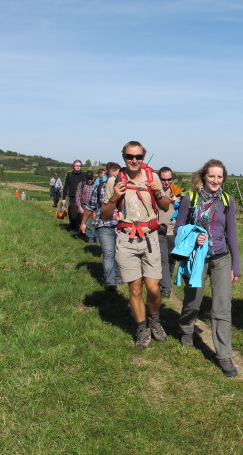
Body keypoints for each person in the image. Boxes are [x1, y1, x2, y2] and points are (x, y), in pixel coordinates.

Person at [174, 159, 241, 377]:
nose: (215, 180)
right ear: (204, 176)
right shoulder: (189, 199)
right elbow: (178, 228)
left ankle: (224, 354)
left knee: (222, 306)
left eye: (219, 177)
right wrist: (195, 237)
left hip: (221, 258)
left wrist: (236, 265)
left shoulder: (227, 201)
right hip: (197, 258)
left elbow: (231, 234)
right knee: (194, 299)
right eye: (212, 176)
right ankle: (186, 327)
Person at [101, 141, 171, 350]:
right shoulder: (114, 180)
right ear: (123, 157)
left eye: (138, 157)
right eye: (130, 157)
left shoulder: (152, 177)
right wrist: (115, 196)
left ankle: (155, 319)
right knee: (134, 287)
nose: (134, 160)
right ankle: (142, 329)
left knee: (153, 287)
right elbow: (105, 214)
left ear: (143, 158)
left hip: (150, 238)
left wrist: (158, 193)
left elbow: (166, 207)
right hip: (126, 237)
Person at [88, 161, 123, 290]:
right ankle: (111, 282)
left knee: (119, 253)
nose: (116, 174)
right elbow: (91, 204)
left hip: (120, 224)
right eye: (113, 171)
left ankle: (119, 277)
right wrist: (84, 220)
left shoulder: (124, 188)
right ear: (107, 172)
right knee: (108, 253)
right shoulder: (100, 187)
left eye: (118, 171)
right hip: (104, 224)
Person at [157, 166, 182, 298]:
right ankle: (166, 288)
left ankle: (166, 278)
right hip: (160, 230)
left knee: (172, 259)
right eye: (164, 179)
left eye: (169, 179)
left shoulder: (176, 191)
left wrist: (179, 201)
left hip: (173, 230)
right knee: (163, 259)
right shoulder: (156, 192)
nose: (166, 182)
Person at [62, 160, 85, 232]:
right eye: (76, 165)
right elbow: (66, 186)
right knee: (73, 213)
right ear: (73, 166)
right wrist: (63, 198)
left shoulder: (84, 175)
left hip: (82, 196)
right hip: (72, 196)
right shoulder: (69, 175)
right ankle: (72, 227)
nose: (78, 167)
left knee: (80, 213)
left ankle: (79, 227)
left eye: (79, 166)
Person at [75, 170, 95, 236]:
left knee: (97, 224)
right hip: (85, 205)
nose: (89, 180)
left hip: (94, 206)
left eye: (91, 178)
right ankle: (90, 239)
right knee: (88, 223)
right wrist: (79, 206)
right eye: (88, 178)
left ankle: (96, 239)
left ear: (93, 178)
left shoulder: (96, 185)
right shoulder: (81, 184)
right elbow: (77, 195)